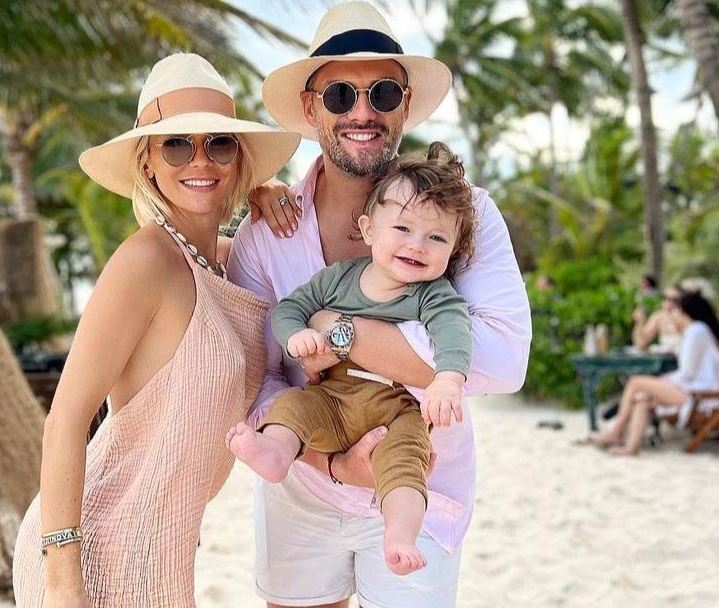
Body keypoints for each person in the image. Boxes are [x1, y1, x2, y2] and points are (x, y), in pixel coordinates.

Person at [228, 3, 532, 606]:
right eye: (340, 95)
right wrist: (331, 463)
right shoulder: (265, 233)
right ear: (311, 108)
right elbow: (255, 376)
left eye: (383, 93)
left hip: (421, 484)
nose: (362, 112)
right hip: (302, 483)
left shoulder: (467, 212)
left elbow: (505, 362)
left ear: (406, 104)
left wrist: (340, 331)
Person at [10, 54, 300, 607]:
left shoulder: (226, 262)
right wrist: (63, 583)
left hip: (162, 548)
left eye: (219, 143)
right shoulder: (144, 262)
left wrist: (265, 191)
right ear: (147, 162)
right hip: (95, 548)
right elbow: (66, 419)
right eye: (177, 145)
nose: (200, 159)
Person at [227, 143, 475, 577]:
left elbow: (455, 334)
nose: (417, 246)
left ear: (452, 250)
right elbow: (289, 309)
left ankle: (399, 534)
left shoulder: (434, 295)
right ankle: (275, 452)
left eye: (436, 238)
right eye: (403, 228)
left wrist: (448, 380)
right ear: (368, 230)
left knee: (407, 461)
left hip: (397, 408)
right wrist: (297, 336)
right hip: (333, 395)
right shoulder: (340, 278)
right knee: (295, 406)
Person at [595, 291, 719, 456]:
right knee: (642, 397)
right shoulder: (696, 331)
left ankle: (616, 433)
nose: (672, 315)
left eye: (675, 310)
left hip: (702, 395)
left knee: (635, 382)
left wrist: (663, 382)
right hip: (697, 390)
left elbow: (688, 373)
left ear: (683, 312)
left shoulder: (695, 332)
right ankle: (630, 448)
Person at [632, 283, 685, 352]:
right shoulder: (659, 316)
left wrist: (676, 324)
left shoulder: (685, 317)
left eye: (674, 300)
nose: (668, 302)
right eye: (665, 298)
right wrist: (639, 323)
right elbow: (640, 343)